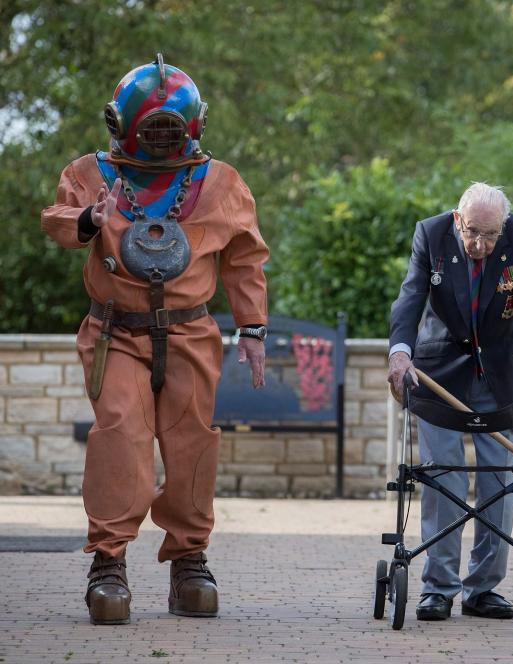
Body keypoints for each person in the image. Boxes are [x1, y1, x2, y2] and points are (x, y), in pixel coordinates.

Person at [40, 55, 269, 625]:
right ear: (122, 125)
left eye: (171, 128)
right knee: (120, 433)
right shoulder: (90, 173)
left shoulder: (220, 181)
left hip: (191, 330)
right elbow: (58, 221)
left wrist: (253, 328)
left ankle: (189, 559)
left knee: (194, 441)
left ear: (191, 126)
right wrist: (92, 220)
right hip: (116, 330)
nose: (163, 139)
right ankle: (109, 562)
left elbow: (245, 257)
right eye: (153, 128)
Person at [387, 182, 513, 621]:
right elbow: (411, 297)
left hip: (502, 375)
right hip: (439, 373)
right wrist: (400, 353)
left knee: (499, 485)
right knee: (444, 480)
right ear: (457, 219)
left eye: (491, 235)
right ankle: (438, 587)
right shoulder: (431, 234)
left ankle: (482, 589)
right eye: (473, 233)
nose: (481, 245)